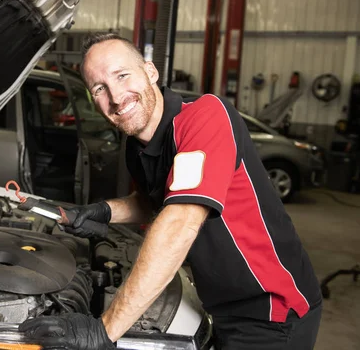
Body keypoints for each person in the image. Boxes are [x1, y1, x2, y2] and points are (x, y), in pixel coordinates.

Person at [19, 33, 322, 350]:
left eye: (122, 76)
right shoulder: (136, 147)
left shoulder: (204, 117)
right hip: (222, 306)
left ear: (150, 72)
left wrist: (104, 330)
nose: (117, 96)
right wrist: (103, 211)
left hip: (272, 312)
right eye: (99, 88)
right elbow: (153, 203)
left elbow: (181, 219)